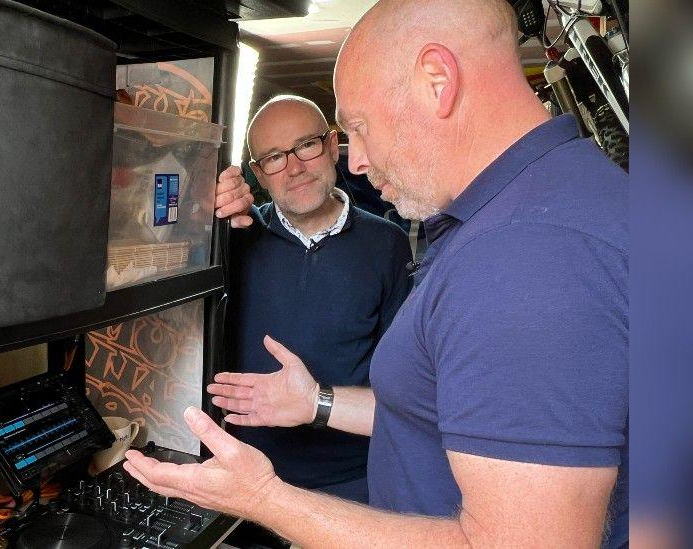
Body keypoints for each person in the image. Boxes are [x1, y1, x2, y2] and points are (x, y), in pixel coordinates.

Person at [124, 0, 628, 547]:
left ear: (438, 79)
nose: (357, 160)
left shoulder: (525, 255)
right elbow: (439, 410)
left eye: (357, 128)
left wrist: (263, 499)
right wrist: (315, 402)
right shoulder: (538, 203)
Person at [218, 95, 411, 503]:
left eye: (305, 145)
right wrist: (202, 212)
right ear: (258, 173)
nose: (294, 168)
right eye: (273, 157)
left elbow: (404, 383)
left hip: (353, 479)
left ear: (331, 145)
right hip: (243, 470)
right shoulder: (232, 239)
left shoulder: (387, 244)